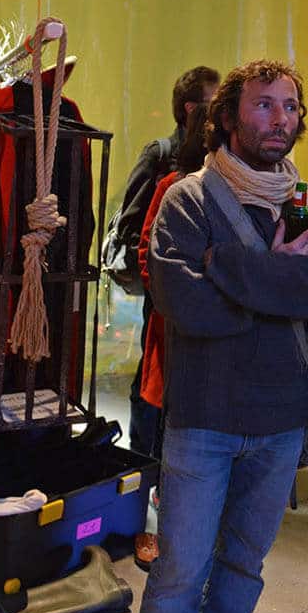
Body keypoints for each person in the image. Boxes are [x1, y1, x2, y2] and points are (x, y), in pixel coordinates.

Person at [139, 59, 308, 613]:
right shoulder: (188, 200)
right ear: (228, 117)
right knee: (179, 573)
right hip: (206, 418)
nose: (281, 118)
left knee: (243, 568)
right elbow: (186, 305)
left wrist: (227, 266)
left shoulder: (306, 204)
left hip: (281, 422)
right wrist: (278, 281)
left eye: (290, 106)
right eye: (264, 104)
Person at [110, 67, 220, 456]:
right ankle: (143, 456)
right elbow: (135, 227)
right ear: (192, 109)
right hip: (164, 295)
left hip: (194, 298)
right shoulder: (162, 158)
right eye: (213, 103)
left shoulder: (226, 174)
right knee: (153, 373)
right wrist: (157, 280)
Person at [129, 102, 210, 570]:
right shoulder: (173, 185)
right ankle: (149, 525)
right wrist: (173, 301)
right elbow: (146, 252)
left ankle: (184, 530)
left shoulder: (247, 189)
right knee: (161, 425)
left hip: (218, 343)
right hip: (174, 332)